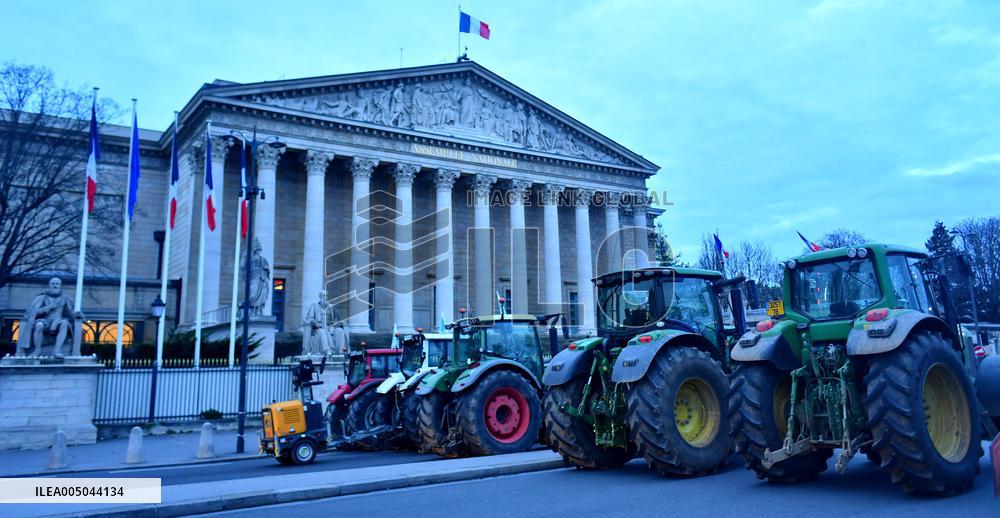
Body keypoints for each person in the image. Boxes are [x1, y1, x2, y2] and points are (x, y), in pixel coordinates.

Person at [19, 277, 75, 357]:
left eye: (57, 284)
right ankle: (37, 350)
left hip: (58, 321)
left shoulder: (65, 298)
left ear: (60, 285)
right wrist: (48, 307)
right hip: (45, 320)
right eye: (53, 284)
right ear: (49, 285)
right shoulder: (41, 298)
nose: (55, 286)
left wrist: (76, 315)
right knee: (39, 325)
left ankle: (57, 350)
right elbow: (34, 312)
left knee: (65, 324)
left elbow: (69, 313)